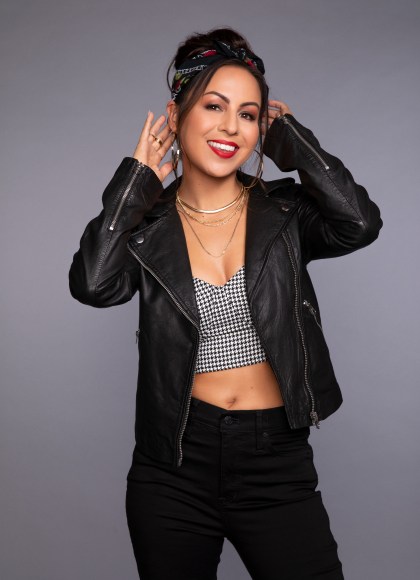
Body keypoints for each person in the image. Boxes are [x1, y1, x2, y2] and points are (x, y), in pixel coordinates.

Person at [69, 27, 382, 580]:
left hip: (276, 460)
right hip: (174, 467)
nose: (231, 127)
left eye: (248, 114)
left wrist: (295, 143)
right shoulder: (148, 227)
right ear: (176, 114)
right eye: (214, 106)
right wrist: (135, 182)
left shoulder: (285, 212)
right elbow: (93, 284)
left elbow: (359, 223)